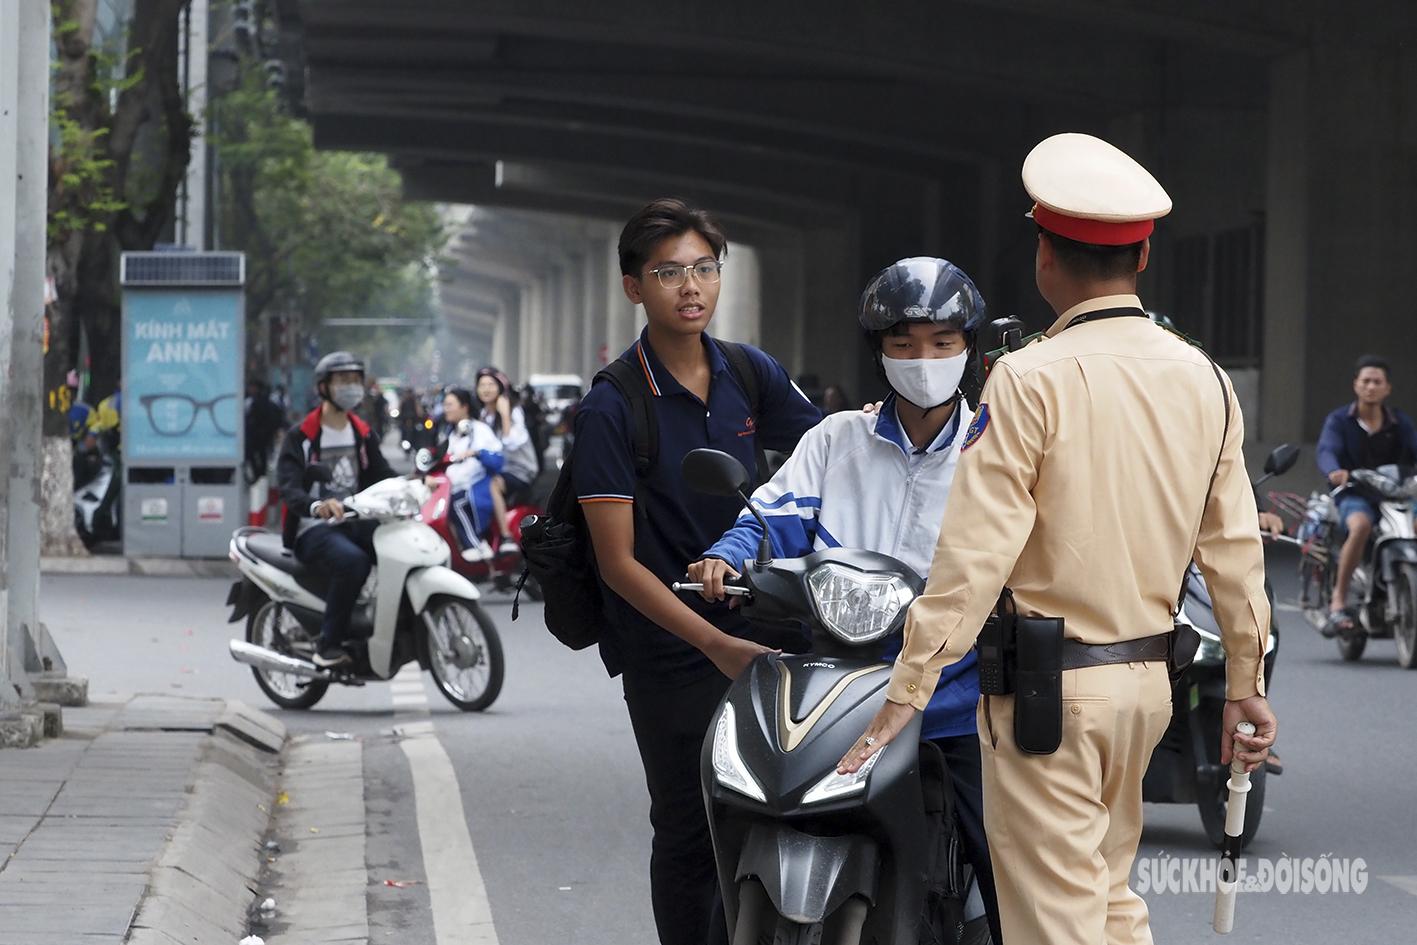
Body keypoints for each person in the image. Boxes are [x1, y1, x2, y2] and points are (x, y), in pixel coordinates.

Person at [838, 133, 1277, 945]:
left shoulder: (1028, 376)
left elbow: (974, 554)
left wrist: (907, 689)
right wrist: (1246, 682)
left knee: (1055, 923)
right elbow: (1233, 551)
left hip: (1046, 694)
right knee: (1109, 904)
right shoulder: (1203, 378)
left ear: (1044, 254)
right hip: (1147, 686)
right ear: (1142, 254)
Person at [687, 257, 1002, 943]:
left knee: (1005, 875)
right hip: (832, 686)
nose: (923, 360)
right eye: (904, 344)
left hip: (946, 696)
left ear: (968, 350)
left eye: (942, 344)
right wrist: (726, 555)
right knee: (730, 857)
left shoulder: (995, 450)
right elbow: (767, 517)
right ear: (878, 352)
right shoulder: (835, 439)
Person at [573, 198, 821, 945]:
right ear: (633, 287)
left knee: (771, 814)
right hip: (669, 646)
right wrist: (711, 643)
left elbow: (827, 458)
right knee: (688, 826)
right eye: (668, 271)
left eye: (704, 268)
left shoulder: (750, 371)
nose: (690, 286)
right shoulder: (612, 408)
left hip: (763, 628)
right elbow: (616, 563)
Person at [276, 351, 395, 668]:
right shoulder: (300, 437)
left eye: (355, 380)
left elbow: (381, 474)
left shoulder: (361, 432)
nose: (351, 387)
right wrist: (316, 506)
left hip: (354, 519)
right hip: (311, 529)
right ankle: (327, 644)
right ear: (324, 387)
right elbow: (289, 488)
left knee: (396, 546)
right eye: (343, 380)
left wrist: (418, 484)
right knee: (352, 563)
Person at [1315, 355, 1417, 636]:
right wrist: (1335, 471)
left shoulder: (1400, 423)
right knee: (1360, 526)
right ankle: (1338, 599)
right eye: (1366, 381)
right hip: (1355, 494)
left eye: (1377, 382)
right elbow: (1326, 451)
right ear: (1356, 386)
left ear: (1387, 388)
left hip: (1397, 496)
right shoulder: (1339, 421)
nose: (1371, 387)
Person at [439, 387, 507, 559]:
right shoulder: (450, 433)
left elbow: (496, 459)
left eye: (450, 404)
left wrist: (476, 453)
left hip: (476, 485)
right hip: (452, 486)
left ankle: (477, 545)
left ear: (464, 407)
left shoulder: (480, 429)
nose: (445, 408)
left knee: (455, 503)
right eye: (444, 404)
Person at [475, 366, 539, 541]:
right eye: (482, 385)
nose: (486, 389)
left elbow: (511, 442)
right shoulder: (483, 415)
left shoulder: (513, 411)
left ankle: (505, 536)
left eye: (491, 384)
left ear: (501, 388)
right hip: (497, 467)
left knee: (493, 485)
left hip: (519, 470)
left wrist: (504, 415)